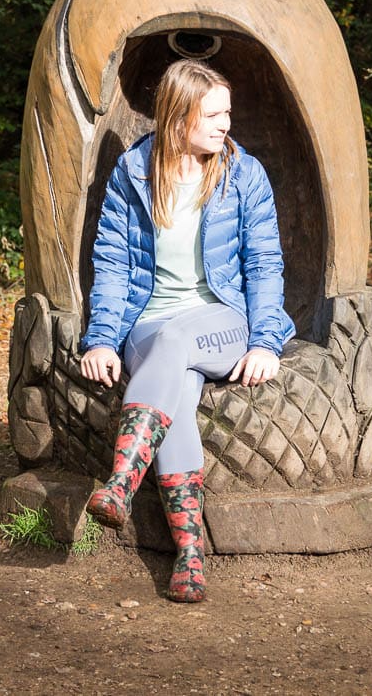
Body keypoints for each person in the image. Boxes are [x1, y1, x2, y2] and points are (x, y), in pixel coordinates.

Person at [79, 58, 295, 603]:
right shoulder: (134, 172)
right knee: (173, 380)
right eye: (214, 114)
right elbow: (112, 263)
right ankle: (190, 558)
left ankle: (122, 483)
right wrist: (103, 338)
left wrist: (267, 342)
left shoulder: (244, 174)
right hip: (149, 322)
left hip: (222, 319)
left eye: (228, 113)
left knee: (175, 346)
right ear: (179, 116)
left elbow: (264, 264)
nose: (226, 124)